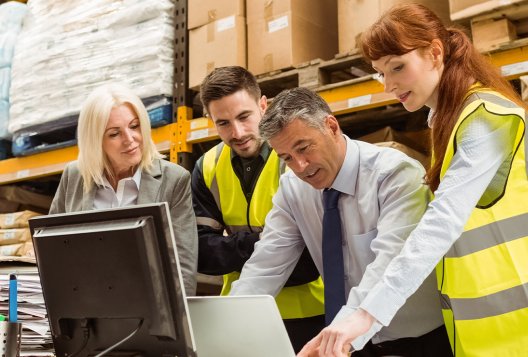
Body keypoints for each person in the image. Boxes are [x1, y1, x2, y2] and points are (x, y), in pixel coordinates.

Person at [298, 4, 528, 357]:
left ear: (434, 53)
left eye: (397, 67)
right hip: (494, 330)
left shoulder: (485, 119)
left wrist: (365, 315)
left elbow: (441, 223)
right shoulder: (449, 119)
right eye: (380, 73)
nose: (388, 85)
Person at [229, 86, 452, 357]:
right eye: (286, 157)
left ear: (332, 127)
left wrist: (347, 326)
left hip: (419, 341)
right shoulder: (292, 188)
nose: (300, 166)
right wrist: (228, 325)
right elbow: (266, 264)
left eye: (304, 147)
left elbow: (390, 263)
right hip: (351, 342)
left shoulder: (394, 175)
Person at [191, 66, 326, 353]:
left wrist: (230, 248)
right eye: (223, 123)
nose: (237, 132)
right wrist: (263, 243)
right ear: (210, 120)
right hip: (242, 312)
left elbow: (309, 259)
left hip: (310, 314)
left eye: (244, 117)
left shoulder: (293, 160)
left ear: (263, 105)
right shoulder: (207, 168)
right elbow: (200, 253)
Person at [49, 83, 198, 296]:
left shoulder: (174, 180)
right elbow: (52, 246)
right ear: (95, 141)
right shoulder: (74, 175)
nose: (130, 139)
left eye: (134, 126)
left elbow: (183, 266)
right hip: (84, 307)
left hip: (149, 308)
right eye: (114, 133)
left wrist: (174, 324)